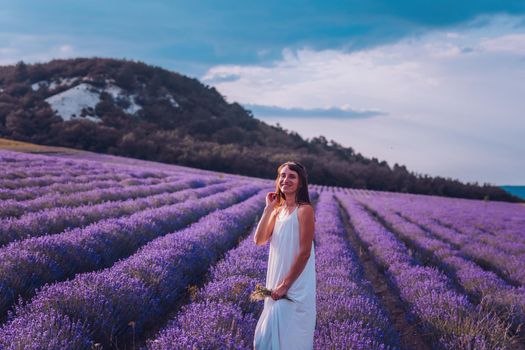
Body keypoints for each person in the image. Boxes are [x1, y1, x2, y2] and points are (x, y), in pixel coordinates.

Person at [253, 161, 316, 350]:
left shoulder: (305, 210)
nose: (285, 180)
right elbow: (259, 239)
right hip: (276, 283)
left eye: (292, 176)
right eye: (282, 175)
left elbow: (304, 253)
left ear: (301, 183)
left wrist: (285, 285)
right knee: (264, 341)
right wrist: (269, 209)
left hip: (294, 287)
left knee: (287, 341)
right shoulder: (278, 211)